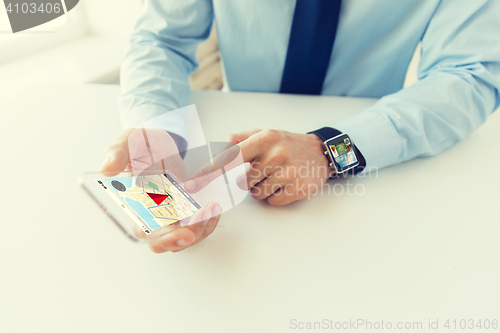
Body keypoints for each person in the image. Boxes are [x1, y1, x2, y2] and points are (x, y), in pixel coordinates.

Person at [100, 0, 500, 253]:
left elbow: (469, 74)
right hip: (232, 148)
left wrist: (329, 150)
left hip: (373, 186)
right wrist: (157, 127)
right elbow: (162, 39)